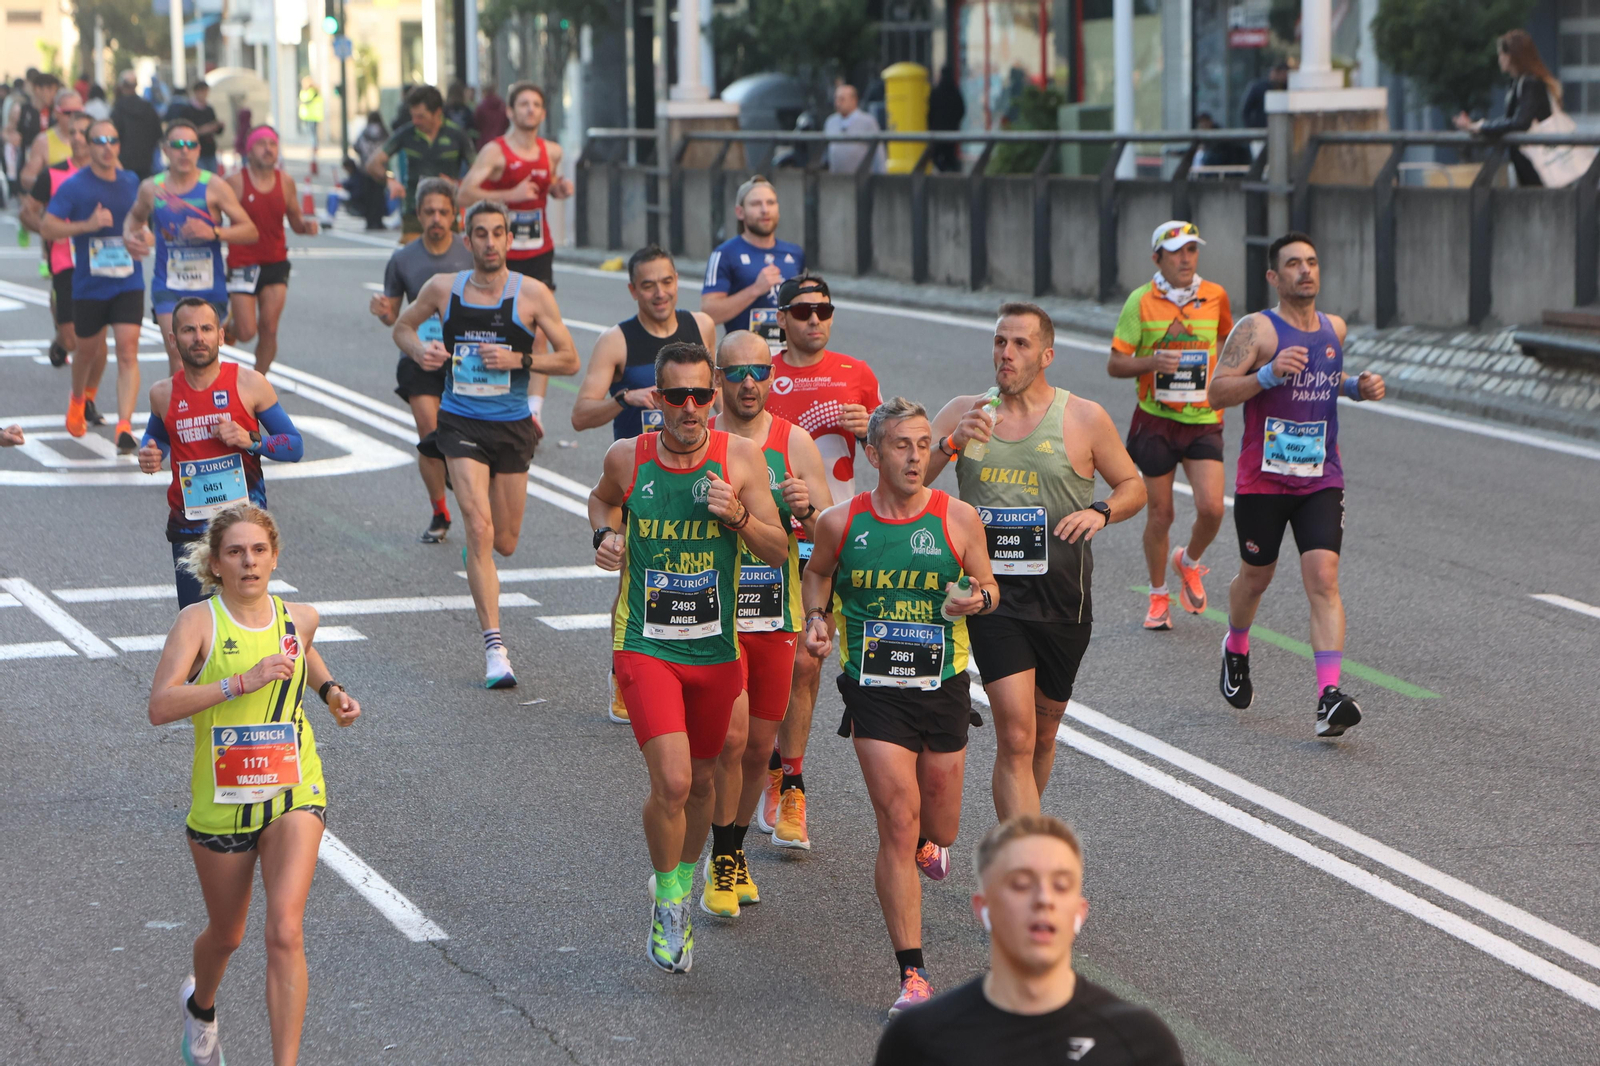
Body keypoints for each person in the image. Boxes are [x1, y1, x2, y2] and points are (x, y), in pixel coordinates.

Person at [586, 339, 790, 973]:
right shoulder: (629, 456)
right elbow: (601, 499)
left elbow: (779, 550)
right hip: (646, 643)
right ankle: (670, 903)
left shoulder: (742, 460)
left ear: (715, 392)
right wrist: (605, 535)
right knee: (673, 781)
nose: (691, 408)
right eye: (677, 396)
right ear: (657, 398)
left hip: (716, 649)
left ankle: (679, 874)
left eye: (702, 394)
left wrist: (739, 518)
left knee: (703, 783)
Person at [801, 397, 999, 1014]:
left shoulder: (959, 518)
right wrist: (816, 618)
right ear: (873, 453)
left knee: (940, 827)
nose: (915, 457)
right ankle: (913, 975)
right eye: (901, 446)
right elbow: (817, 573)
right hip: (873, 686)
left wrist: (975, 601)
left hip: (943, 686)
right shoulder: (840, 523)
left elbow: (990, 587)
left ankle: (929, 843)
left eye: (922, 445)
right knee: (897, 818)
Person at [147, 503, 360, 1066]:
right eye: (236, 552)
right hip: (223, 801)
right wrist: (237, 683)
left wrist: (332, 693)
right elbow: (160, 705)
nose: (249, 562)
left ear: (274, 557)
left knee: (285, 930)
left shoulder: (300, 617)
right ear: (216, 563)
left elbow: (300, 648)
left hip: (293, 787)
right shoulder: (198, 623)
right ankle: (201, 1006)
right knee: (227, 934)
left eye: (259, 551)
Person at [930, 303, 1145, 821]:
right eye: (1000, 341)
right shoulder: (966, 411)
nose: (1006, 353)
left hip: (1063, 600)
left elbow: (1133, 486)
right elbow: (906, 475)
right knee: (1017, 736)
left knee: (1043, 737)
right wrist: (950, 442)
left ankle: (1018, 832)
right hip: (992, 599)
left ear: (1046, 355)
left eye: (1020, 343)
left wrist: (1101, 512)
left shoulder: (1084, 417)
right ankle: (1018, 857)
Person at [392, 201, 579, 688]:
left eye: (498, 233)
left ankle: (480, 554)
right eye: (481, 233)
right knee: (478, 528)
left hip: (512, 425)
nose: (490, 242)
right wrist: (421, 350)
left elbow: (570, 359)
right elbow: (402, 326)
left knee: (505, 542)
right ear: (467, 239)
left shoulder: (531, 294)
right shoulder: (443, 289)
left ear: (509, 241)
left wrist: (520, 360)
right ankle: (495, 650)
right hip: (461, 421)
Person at [1210, 232, 1385, 738]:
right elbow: (1217, 392)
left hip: (1320, 478)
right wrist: (1266, 374)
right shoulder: (1256, 330)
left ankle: (1328, 697)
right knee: (1255, 578)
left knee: (1324, 578)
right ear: (1274, 276)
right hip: (1262, 481)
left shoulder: (1335, 328)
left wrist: (1356, 388)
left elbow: (1326, 380)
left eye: (1311, 262)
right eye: (1292, 264)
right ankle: (1236, 645)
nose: (1305, 270)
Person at [873, 815, 1185, 1066]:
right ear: (984, 908)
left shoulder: (1141, 1043)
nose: (1043, 899)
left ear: (1079, 912)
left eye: (1061, 886)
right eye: (1021, 884)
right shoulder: (919, 1040)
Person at [701, 331, 833, 917]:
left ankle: (734, 847)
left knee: (758, 748)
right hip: (717, 616)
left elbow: (829, 531)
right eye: (736, 373)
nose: (749, 383)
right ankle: (721, 856)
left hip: (775, 613)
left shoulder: (793, 442)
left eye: (759, 371)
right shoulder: (705, 441)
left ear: (772, 376)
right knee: (729, 743)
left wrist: (808, 509)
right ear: (718, 380)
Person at [755, 271, 882, 848]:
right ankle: (763, 762)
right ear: (781, 318)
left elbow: (892, 457)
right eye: (803, 311)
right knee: (765, 664)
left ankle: (791, 783)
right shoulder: (759, 374)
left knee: (807, 662)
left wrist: (870, 433)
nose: (814, 320)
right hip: (760, 537)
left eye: (824, 311)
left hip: (826, 535)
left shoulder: (857, 374)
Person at [570, 243, 716, 724]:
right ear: (633, 289)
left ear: (678, 281)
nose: (660, 293)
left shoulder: (702, 327)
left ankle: (696, 666)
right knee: (634, 580)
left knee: (700, 571)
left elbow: (715, 397)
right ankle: (624, 676)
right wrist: (623, 399)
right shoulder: (616, 341)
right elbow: (580, 415)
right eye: (648, 285)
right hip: (642, 477)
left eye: (667, 282)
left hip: (698, 468)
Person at [1106, 221, 1233, 632]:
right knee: (1161, 514)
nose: (1186, 258)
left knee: (1212, 508)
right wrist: (1151, 362)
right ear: (1157, 258)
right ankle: (1158, 595)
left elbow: (1229, 343)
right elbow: (1115, 364)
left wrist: (1226, 375)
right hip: (1156, 420)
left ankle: (1188, 561)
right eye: (1177, 252)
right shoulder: (1140, 301)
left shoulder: (1216, 296)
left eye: (1192, 250)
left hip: (1202, 419)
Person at [138, 299, 305, 607]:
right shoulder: (163, 393)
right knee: (195, 620)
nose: (198, 338)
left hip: (244, 528)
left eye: (206, 329)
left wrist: (250, 439)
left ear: (221, 336)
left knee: (244, 616)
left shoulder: (250, 384)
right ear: (173, 340)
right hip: (190, 528)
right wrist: (149, 452)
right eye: (189, 330)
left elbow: (294, 445)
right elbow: (157, 437)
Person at [458, 81, 575, 424]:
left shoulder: (551, 152)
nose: (530, 110)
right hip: (497, 253)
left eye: (536, 104)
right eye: (523, 104)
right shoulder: (495, 152)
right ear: (510, 111)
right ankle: (490, 400)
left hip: (538, 251)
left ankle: (533, 413)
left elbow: (547, 183)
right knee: (498, 330)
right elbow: (464, 194)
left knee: (539, 333)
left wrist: (558, 188)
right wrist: (511, 194)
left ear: (543, 112)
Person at [370, 177, 474, 543]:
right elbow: (394, 317)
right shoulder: (403, 259)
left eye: (443, 212)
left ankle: (460, 480)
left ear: (455, 214)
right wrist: (383, 311)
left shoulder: (470, 254)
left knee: (464, 437)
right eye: (429, 212)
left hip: (466, 360)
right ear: (418, 214)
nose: (436, 219)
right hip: (420, 357)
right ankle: (440, 511)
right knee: (430, 435)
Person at [124, 118, 258, 375]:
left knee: (205, 360)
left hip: (209, 287)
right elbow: (134, 217)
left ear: (199, 150)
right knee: (178, 354)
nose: (184, 151)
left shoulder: (215, 186)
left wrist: (214, 232)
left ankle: (202, 402)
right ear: (165, 149)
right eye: (177, 145)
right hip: (168, 286)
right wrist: (132, 236)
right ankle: (178, 403)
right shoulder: (152, 188)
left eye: (191, 145)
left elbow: (250, 231)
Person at [40, 117, 144, 449]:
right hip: (90, 284)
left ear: (119, 145)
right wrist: (86, 225)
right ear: (88, 145)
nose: (107, 148)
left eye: (112, 141)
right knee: (86, 351)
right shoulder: (75, 185)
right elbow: (47, 226)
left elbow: (143, 224)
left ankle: (124, 426)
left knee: (127, 350)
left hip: (128, 281)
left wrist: (144, 239)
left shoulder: (131, 182)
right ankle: (77, 399)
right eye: (99, 141)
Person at [226, 126, 319, 376]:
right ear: (249, 150)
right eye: (261, 144)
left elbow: (296, 221)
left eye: (273, 144)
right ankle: (231, 327)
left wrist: (306, 227)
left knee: (269, 327)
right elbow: (213, 214)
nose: (268, 149)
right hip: (242, 263)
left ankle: (258, 381)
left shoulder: (285, 182)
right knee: (247, 332)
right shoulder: (234, 182)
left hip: (275, 262)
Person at [21, 107, 91, 371]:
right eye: (72, 133)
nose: (77, 138)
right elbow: (27, 212)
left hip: (101, 262)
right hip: (65, 261)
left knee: (95, 339)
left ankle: (86, 394)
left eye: (83, 133)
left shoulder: (112, 175)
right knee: (72, 339)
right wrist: (48, 231)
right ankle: (61, 341)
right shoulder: (53, 174)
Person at [700, 175, 805, 347]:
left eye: (770, 203)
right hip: (744, 355)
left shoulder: (794, 254)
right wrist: (755, 289)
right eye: (756, 204)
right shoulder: (725, 254)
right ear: (740, 212)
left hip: (788, 354)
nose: (765, 210)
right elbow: (709, 313)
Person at [366, 85, 477, 245]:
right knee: (412, 259)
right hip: (414, 214)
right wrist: (390, 180)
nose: (415, 121)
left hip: (447, 214)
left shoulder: (457, 135)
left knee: (448, 259)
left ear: (437, 112)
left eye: (421, 116)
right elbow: (373, 163)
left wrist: (459, 185)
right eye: (413, 116)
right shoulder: (406, 133)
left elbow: (478, 172)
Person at [1453, 30, 1562, 187]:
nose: (1499, 59)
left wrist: (1481, 126)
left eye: (1501, 54)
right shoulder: (1519, 83)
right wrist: (1478, 126)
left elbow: (1520, 122)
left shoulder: (1530, 83)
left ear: (1511, 56)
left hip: (1540, 166)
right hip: (1531, 164)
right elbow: (1512, 121)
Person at [824, 82, 886, 175]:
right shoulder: (830, 122)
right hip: (837, 178)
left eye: (842, 99)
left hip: (862, 178)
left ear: (854, 100)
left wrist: (881, 174)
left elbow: (878, 152)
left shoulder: (867, 121)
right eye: (836, 99)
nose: (838, 103)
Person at [111, 70, 162, 180]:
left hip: (124, 164)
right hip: (146, 163)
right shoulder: (148, 107)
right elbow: (158, 133)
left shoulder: (117, 109)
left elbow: (113, 135)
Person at [167, 79, 224, 172]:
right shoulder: (187, 110)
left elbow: (216, 129)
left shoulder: (209, 109)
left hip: (210, 150)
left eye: (206, 91)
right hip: (195, 151)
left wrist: (218, 127)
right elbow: (184, 131)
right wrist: (203, 130)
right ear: (196, 92)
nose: (204, 94)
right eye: (202, 91)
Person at [352, 110, 390, 230]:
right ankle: (378, 221)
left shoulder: (365, 132)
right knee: (379, 196)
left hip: (366, 170)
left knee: (368, 197)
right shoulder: (384, 132)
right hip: (380, 170)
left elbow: (356, 146)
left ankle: (369, 221)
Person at [1240, 61, 1288, 130]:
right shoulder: (1259, 87)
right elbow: (1246, 111)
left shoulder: (1286, 88)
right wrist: (1252, 128)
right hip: (1262, 129)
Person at [473, 82, 508, 149]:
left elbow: (477, 124)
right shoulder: (502, 105)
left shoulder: (481, 107)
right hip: (500, 141)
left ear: (484, 92)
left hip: (485, 142)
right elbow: (506, 123)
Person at [297, 77, 323, 164]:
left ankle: (314, 148)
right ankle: (313, 147)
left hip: (312, 116)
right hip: (309, 116)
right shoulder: (309, 91)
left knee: (313, 133)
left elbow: (306, 101)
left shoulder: (312, 91)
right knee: (312, 133)